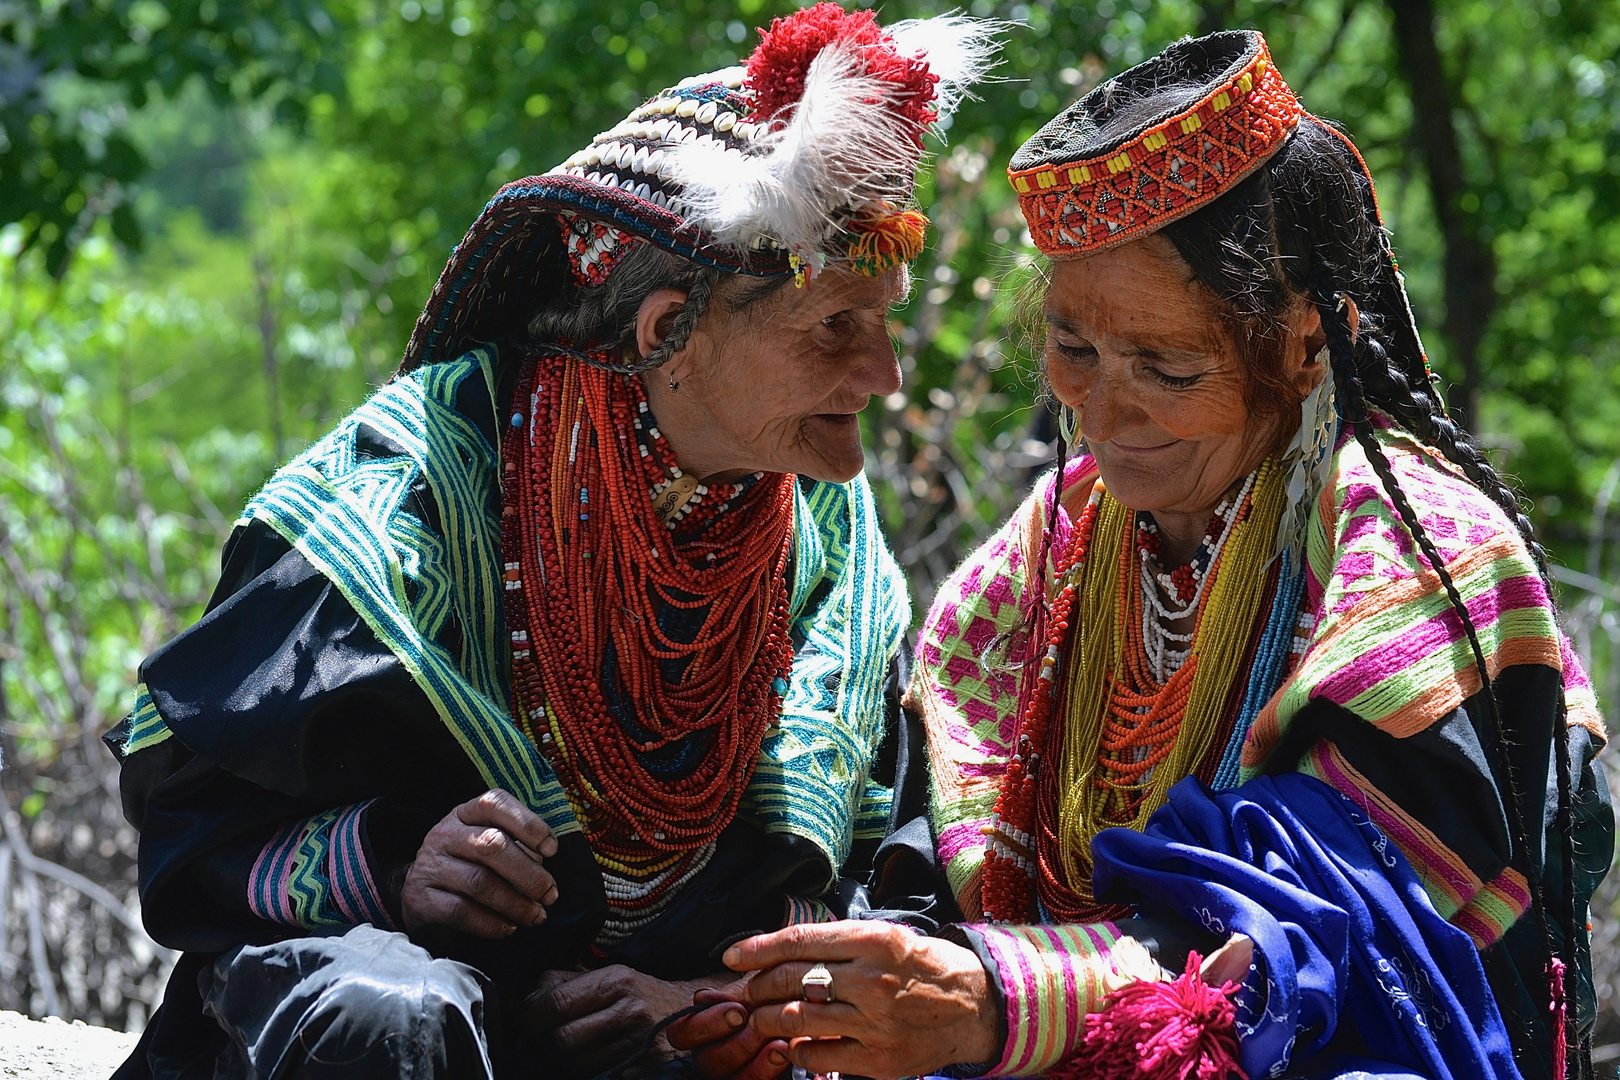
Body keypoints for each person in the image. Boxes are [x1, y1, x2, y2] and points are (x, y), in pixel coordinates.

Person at [669, 29, 1613, 1080]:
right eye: (1072, 347)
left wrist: (1004, 1002)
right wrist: (820, 986)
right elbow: (931, 856)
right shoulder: (1051, 547)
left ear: (1303, 343)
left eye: (1164, 365)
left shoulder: (1411, 552)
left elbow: (1343, 920)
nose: (1102, 408)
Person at [105, 7, 1000, 1078]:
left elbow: (886, 882)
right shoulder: (410, 494)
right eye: (834, 330)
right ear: (666, 330)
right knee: (382, 1018)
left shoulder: (826, 538)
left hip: (679, 1012)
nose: (886, 377)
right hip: (430, 1003)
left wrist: (711, 1002)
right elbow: (197, 817)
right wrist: (398, 864)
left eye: (886, 323)